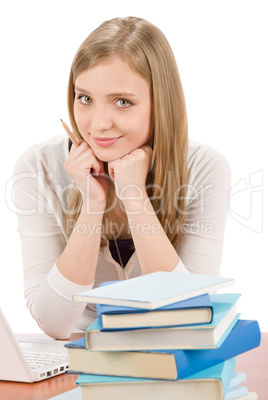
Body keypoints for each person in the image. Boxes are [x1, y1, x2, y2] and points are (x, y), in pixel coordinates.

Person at [13, 16, 231, 339]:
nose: (98, 124)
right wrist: (92, 204)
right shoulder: (37, 168)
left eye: (122, 102)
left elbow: (188, 315)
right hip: (81, 358)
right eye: (85, 98)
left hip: (168, 358)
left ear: (160, 106)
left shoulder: (205, 168)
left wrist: (133, 194)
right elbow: (54, 323)